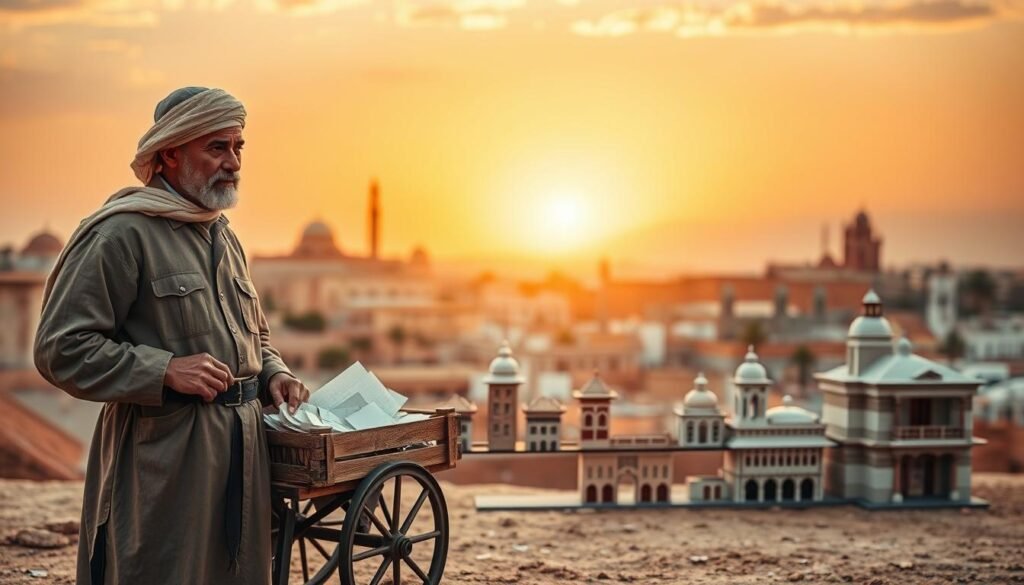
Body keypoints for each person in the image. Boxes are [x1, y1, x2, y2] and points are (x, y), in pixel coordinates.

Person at [33, 86, 309, 584]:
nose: (233, 162)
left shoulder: (223, 235)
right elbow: (60, 348)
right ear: (170, 153)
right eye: (217, 147)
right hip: (164, 460)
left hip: (243, 456)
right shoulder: (121, 234)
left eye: (238, 147)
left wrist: (274, 373)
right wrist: (164, 370)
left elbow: (253, 337)